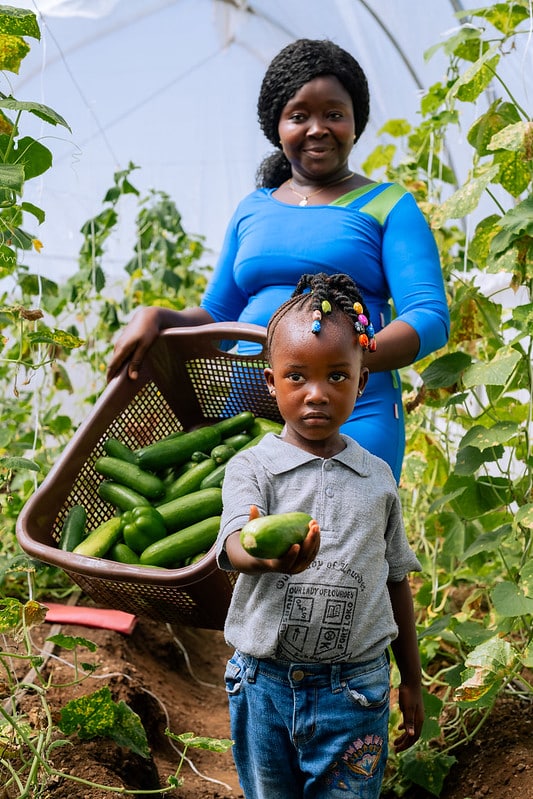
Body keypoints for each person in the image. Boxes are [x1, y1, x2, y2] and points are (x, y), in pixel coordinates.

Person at [107, 38, 449, 482]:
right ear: (278, 125)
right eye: (299, 116)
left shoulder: (389, 205)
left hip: (352, 417)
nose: (317, 128)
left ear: (355, 122)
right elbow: (216, 313)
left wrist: (344, 361)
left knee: (338, 545)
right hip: (245, 423)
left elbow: (429, 317)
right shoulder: (254, 207)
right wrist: (159, 317)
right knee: (238, 543)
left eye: (334, 114)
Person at [216, 272, 424, 799]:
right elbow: (235, 542)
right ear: (271, 384)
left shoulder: (377, 477)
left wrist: (414, 680)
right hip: (263, 686)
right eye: (296, 377)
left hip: (354, 690)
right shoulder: (253, 467)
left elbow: (396, 580)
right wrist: (264, 561)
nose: (317, 394)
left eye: (336, 376)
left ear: (361, 382)